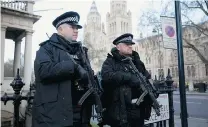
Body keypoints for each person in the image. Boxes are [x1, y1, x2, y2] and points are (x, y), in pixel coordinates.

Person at [32, 11, 92, 127]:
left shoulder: (81, 50)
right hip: (54, 116)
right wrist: (73, 67)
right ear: (60, 29)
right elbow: (43, 71)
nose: (76, 30)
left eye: (77, 28)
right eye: (72, 27)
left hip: (80, 113)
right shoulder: (46, 48)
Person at [100, 33, 153, 127]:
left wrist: (152, 88)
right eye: (126, 44)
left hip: (138, 110)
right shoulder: (110, 61)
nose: (130, 47)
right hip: (119, 111)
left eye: (131, 45)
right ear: (118, 47)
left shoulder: (137, 62)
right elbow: (106, 77)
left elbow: (147, 77)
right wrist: (128, 77)